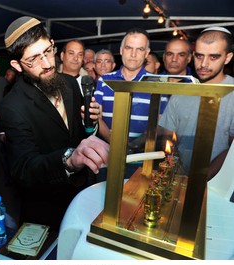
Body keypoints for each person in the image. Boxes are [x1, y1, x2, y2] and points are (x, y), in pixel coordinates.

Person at [0, 16, 109, 230]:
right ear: (17, 65)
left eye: (48, 51)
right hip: (46, 206)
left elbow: (82, 137)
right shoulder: (11, 106)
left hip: (83, 193)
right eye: (34, 59)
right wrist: (69, 159)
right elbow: (25, 168)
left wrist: (92, 122)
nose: (48, 64)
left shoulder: (69, 83)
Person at [158, 27, 234, 179]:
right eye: (199, 56)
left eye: (213, 57)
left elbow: (232, 147)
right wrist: (174, 166)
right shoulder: (183, 90)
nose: (203, 64)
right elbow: (167, 134)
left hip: (220, 183)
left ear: (227, 57)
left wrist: (203, 177)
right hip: (180, 178)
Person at [94, 28, 168, 145]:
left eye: (140, 49)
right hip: (107, 152)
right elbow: (96, 117)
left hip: (143, 156)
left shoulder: (158, 83)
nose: (133, 54)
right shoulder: (104, 80)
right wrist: (113, 142)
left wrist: (135, 146)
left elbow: (161, 122)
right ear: (121, 50)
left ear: (146, 53)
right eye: (129, 48)